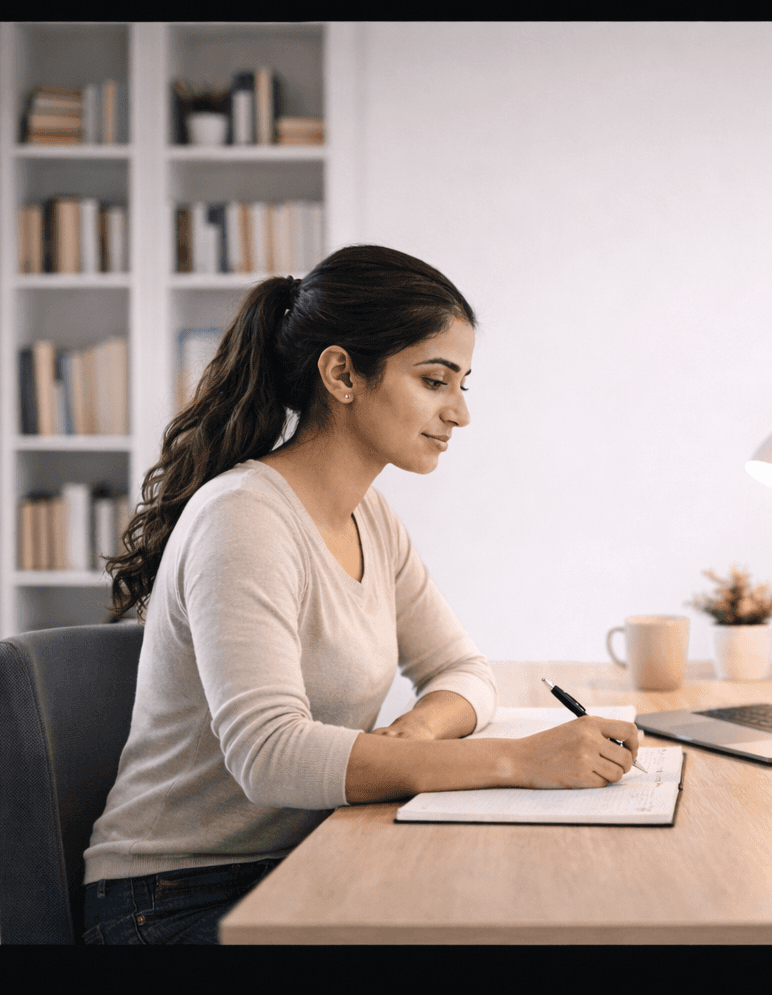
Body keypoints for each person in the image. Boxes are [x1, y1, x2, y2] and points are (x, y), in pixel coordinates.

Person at [80, 245, 638, 945]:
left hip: (304, 856)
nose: (459, 413)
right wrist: (521, 760)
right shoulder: (244, 517)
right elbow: (270, 756)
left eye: (464, 384)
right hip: (168, 900)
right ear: (342, 373)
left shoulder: (369, 516)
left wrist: (418, 731)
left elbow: (464, 672)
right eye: (435, 380)